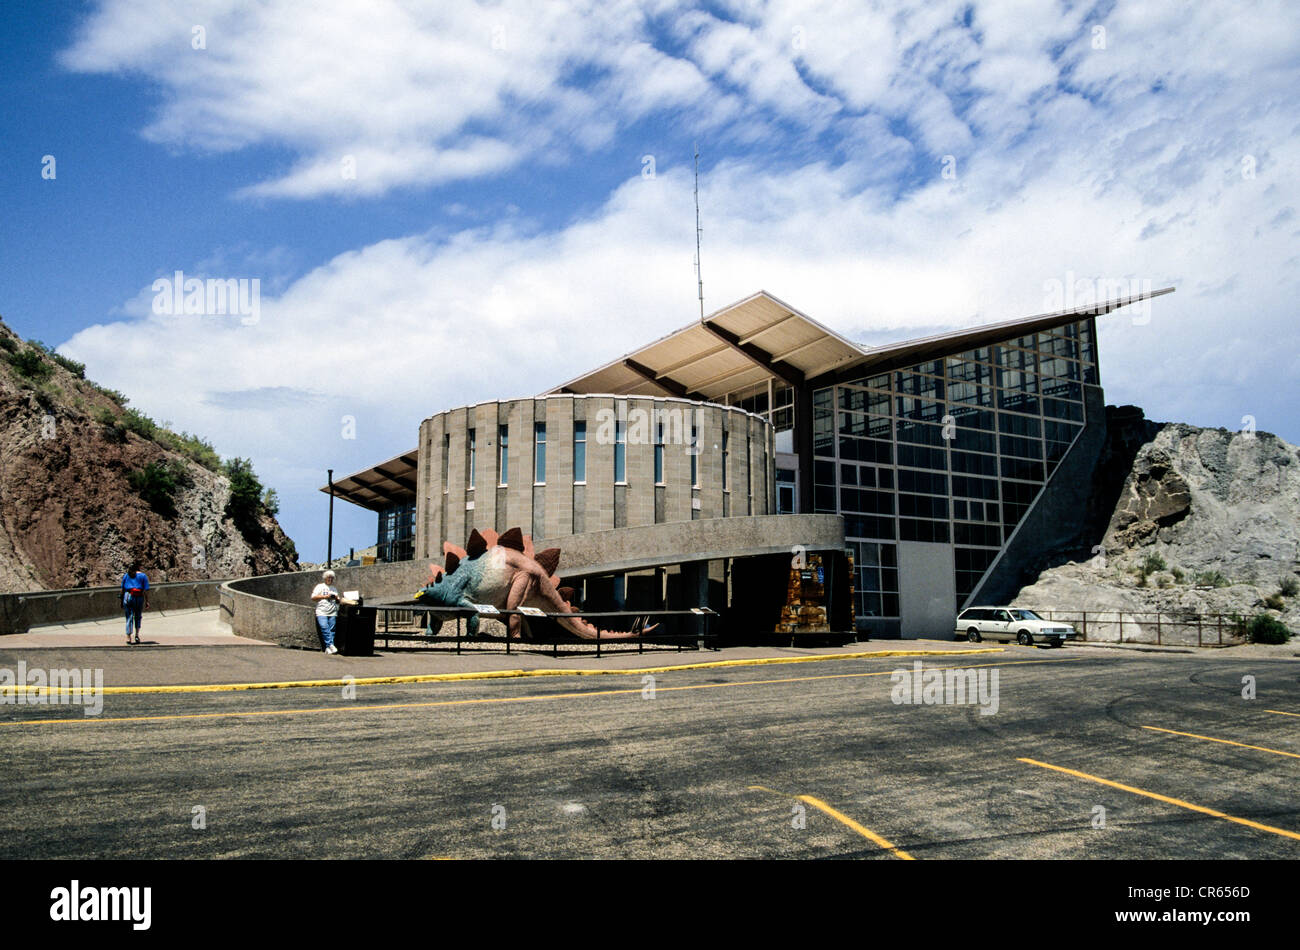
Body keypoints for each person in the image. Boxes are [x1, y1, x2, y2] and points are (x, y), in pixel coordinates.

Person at [311, 570, 342, 655]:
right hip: (322, 611)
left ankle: (328, 648)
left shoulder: (334, 589)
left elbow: (338, 601)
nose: (330, 579)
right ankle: (331, 645)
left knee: (332, 629)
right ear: (325, 578)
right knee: (324, 627)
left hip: (332, 611)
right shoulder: (320, 586)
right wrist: (325, 596)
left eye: (332, 578)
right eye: (329, 578)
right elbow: (313, 597)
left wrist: (336, 598)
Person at [121, 561, 150, 645]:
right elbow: (145, 590)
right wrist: (147, 601)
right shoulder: (143, 576)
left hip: (128, 595)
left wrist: (121, 600)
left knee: (129, 616)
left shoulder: (126, 575)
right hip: (139, 597)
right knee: (137, 616)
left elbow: (122, 589)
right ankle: (137, 635)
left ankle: (128, 637)